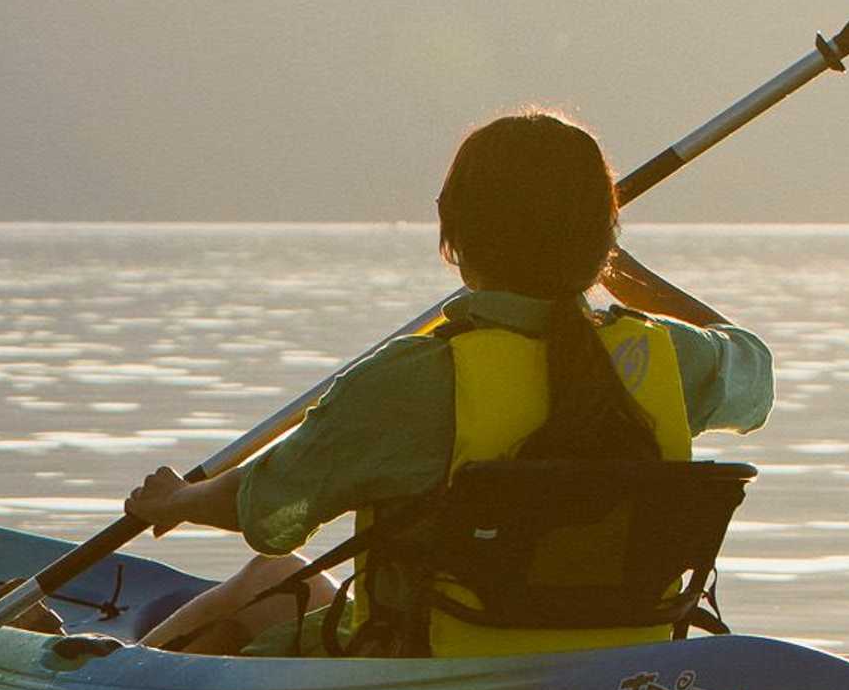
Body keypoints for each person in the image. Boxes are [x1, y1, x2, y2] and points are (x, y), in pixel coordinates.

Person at [120, 108, 774, 656]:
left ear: (454, 232)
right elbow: (756, 366)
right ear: (603, 234)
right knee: (281, 578)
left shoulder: (414, 378)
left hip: (425, 673)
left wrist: (177, 502)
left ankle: (101, 686)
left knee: (267, 574)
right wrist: (620, 274)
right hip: (610, 676)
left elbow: (272, 507)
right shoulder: (668, 359)